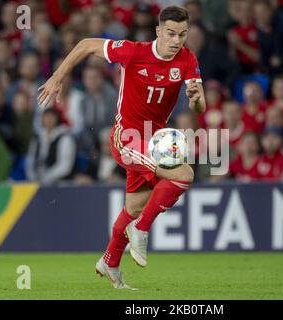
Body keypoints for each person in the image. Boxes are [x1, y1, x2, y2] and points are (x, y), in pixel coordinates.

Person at [38, 6, 205, 289]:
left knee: (134, 205)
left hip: (154, 141)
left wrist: (196, 98)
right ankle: (140, 230)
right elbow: (86, 45)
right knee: (184, 174)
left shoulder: (188, 59)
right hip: (125, 137)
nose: (177, 41)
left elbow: (199, 108)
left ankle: (110, 261)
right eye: (171, 34)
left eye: (183, 34)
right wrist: (57, 77)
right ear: (158, 31)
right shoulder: (134, 52)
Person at [25, 108, 77, 185]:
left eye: (52, 117)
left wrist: (47, 176)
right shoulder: (37, 138)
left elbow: (65, 166)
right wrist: (32, 176)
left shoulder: (65, 138)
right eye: (46, 117)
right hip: (38, 181)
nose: (49, 120)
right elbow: (30, 160)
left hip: (59, 183)